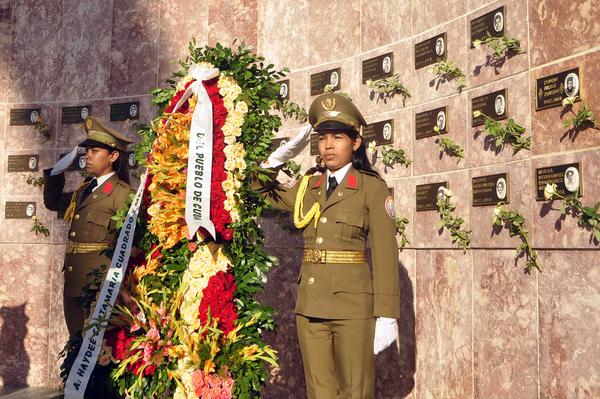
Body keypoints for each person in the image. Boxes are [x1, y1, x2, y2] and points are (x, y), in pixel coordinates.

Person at [258, 93, 400, 398]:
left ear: (356, 143)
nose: (329, 145)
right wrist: (276, 159)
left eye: (338, 137)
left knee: (355, 392)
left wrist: (387, 315)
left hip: (353, 308)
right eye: (323, 138)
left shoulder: (371, 189)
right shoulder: (309, 185)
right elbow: (258, 190)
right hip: (311, 306)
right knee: (320, 393)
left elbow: (387, 255)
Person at [43, 117, 133, 336]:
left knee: (99, 352)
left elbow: (130, 245)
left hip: (100, 288)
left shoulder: (122, 194)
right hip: (73, 285)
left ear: (113, 156)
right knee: (76, 346)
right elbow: (53, 202)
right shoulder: (84, 190)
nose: (87, 156)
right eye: (87, 151)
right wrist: (55, 173)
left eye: (94, 151)